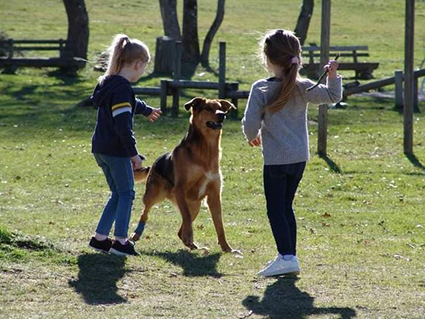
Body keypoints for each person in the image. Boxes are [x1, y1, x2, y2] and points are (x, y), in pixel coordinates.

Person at [242, 29, 342, 276]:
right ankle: (289, 256)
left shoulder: (261, 88)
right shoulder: (304, 86)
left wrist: (251, 136)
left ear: (267, 58)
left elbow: (249, 123)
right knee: (286, 206)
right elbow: (333, 96)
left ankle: (286, 256)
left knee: (276, 208)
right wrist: (333, 75)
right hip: (299, 158)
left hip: (276, 161)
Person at [88, 34, 162, 256]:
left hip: (100, 148)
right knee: (127, 194)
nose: (142, 72)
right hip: (116, 150)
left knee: (117, 193)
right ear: (138, 64)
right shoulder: (122, 89)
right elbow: (123, 127)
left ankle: (100, 238)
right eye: (144, 68)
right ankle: (121, 241)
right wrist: (134, 155)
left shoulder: (109, 83)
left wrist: (146, 109)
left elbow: (129, 103)